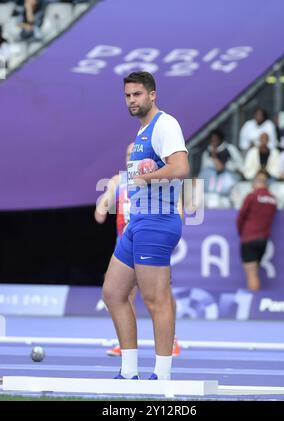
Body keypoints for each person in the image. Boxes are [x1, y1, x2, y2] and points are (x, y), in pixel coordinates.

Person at [102, 71, 189, 380]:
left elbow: (181, 167)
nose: (131, 100)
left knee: (156, 299)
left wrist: (144, 177)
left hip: (158, 221)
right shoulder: (142, 133)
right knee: (113, 292)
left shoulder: (165, 124)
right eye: (127, 95)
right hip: (138, 221)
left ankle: (162, 375)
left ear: (152, 94)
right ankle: (128, 373)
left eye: (137, 94)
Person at [95, 143, 180, 358]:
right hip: (125, 241)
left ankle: (172, 340)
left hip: (150, 239)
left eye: (135, 153)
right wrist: (105, 201)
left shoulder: (158, 177)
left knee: (162, 293)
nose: (131, 157)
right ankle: (125, 344)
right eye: (127, 154)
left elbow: (178, 208)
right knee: (123, 293)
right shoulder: (118, 180)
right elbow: (101, 210)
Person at [237, 170, 277, 291]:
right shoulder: (273, 199)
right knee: (255, 272)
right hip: (263, 239)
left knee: (251, 274)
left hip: (249, 238)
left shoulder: (252, 196)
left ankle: (253, 304)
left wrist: (241, 233)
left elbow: (240, 217)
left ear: (256, 183)